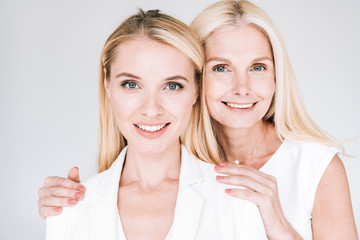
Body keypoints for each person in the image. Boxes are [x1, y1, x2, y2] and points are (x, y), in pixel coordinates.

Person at [39, 1, 358, 239]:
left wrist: (278, 224)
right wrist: (67, 209)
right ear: (199, 81)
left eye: (258, 67)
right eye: (221, 67)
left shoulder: (316, 167)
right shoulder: (168, 152)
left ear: (278, 75)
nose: (242, 88)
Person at [45, 9, 267, 240]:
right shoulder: (68, 209)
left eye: (172, 86)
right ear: (107, 83)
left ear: (196, 90)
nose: (151, 109)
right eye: (131, 85)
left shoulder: (237, 201)